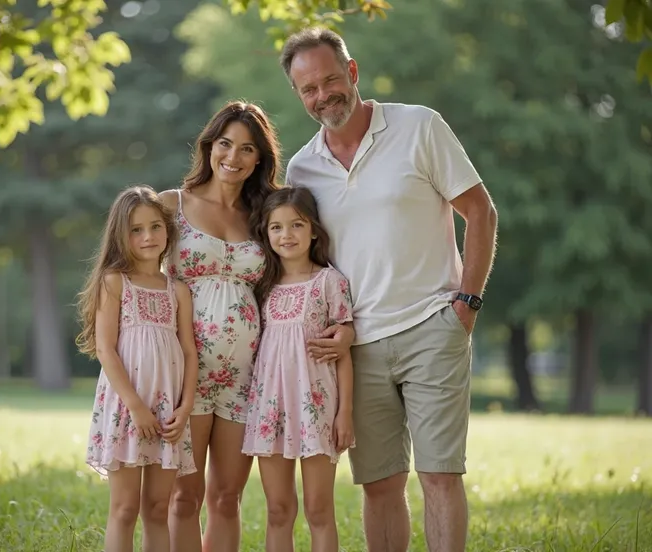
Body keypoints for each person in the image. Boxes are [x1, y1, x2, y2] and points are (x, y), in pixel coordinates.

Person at [280, 27, 499, 552]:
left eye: (330, 80)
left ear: (351, 73)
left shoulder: (419, 126)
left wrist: (466, 305)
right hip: (356, 348)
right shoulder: (301, 169)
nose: (322, 95)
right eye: (308, 89)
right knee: (379, 485)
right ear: (298, 95)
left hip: (433, 327)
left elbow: (481, 213)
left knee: (440, 476)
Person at [159, 101, 281, 552]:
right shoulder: (172, 206)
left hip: (246, 375)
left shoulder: (266, 214)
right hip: (184, 373)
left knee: (228, 497)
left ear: (259, 159)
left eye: (247, 149)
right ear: (210, 146)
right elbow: (133, 278)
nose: (233, 156)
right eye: (225, 143)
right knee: (183, 497)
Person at [76, 185, 199, 552]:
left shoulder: (177, 291)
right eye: (136, 229)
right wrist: (135, 406)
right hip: (127, 409)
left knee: (158, 508)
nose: (148, 236)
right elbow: (105, 349)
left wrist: (186, 407)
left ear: (167, 230)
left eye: (155, 226)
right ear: (121, 235)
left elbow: (190, 353)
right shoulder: (115, 284)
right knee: (125, 508)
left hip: (167, 414)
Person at [242, 187, 355, 552]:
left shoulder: (330, 282)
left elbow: (342, 353)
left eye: (296, 225)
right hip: (268, 410)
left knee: (319, 510)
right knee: (278, 510)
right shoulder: (261, 286)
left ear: (314, 231)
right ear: (266, 233)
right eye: (276, 227)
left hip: (317, 409)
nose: (286, 235)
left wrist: (344, 415)